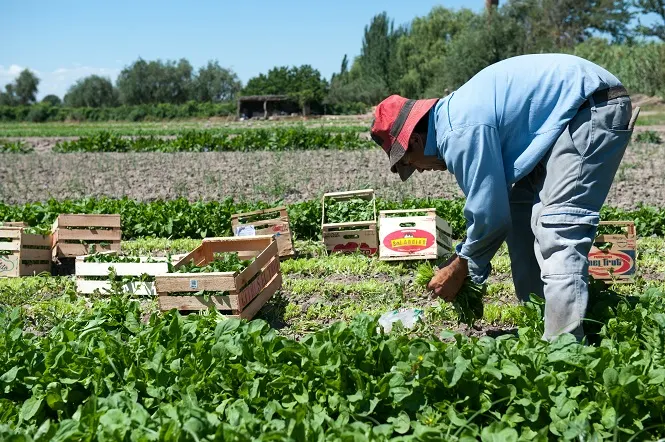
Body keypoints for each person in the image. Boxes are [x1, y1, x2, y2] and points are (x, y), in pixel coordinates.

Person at [369, 53, 640, 341]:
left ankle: (564, 351)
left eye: (409, 162)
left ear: (415, 140)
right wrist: (468, 262)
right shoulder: (453, 118)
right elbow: (499, 210)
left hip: (589, 107)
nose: (419, 170)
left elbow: (490, 216)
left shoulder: (457, 132)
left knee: (558, 227)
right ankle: (539, 318)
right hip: (562, 120)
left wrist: (462, 266)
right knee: (521, 212)